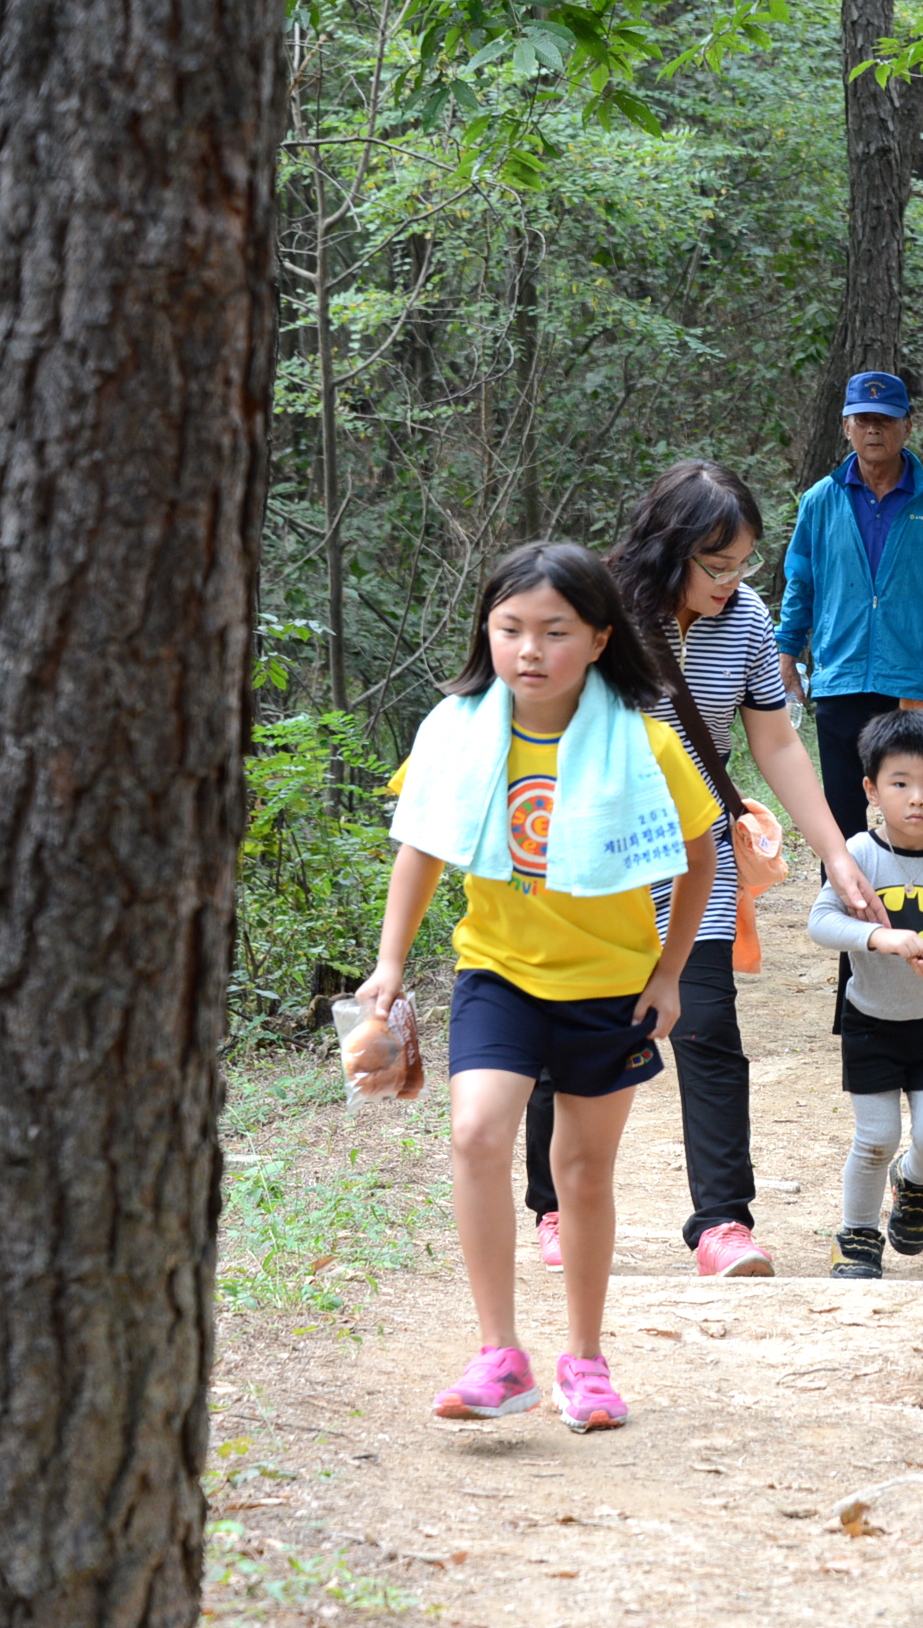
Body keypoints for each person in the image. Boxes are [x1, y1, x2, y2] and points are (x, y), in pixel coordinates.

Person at [362, 542, 719, 1432]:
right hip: (498, 972)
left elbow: (703, 853)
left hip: (612, 986)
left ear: (599, 640)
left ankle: (586, 1362)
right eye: (511, 628)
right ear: (488, 632)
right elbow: (424, 843)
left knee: (582, 1174)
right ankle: (499, 1354)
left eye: (555, 631)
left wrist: (672, 972)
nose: (529, 650)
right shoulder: (456, 729)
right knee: (477, 1132)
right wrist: (391, 962)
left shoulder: (643, 741)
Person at [520, 463, 882, 1286]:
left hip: (696, 855)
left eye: (742, 565)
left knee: (708, 1028)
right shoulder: (597, 613)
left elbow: (776, 741)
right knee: (575, 1032)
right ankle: (554, 1206)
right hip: (591, 857)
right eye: (715, 567)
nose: (731, 584)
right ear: (670, 550)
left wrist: (834, 847)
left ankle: (721, 1222)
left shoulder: (748, 620)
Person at [809, 711, 923, 1280]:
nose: (918, 799)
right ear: (871, 788)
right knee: (875, 1137)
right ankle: (857, 1235)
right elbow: (820, 923)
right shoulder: (857, 855)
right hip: (870, 1020)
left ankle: (913, 1181)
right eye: (901, 783)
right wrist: (879, 936)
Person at [775, 371, 923, 837]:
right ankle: (842, 900)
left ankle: (911, 902)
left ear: (907, 427)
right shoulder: (820, 501)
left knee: (913, 805)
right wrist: (787, 656)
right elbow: (800, 584)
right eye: (864, 420)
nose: (874, 430)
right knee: (842, 809)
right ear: (846, 426)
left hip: (912, 675)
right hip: (841, 674)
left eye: (886, 420)